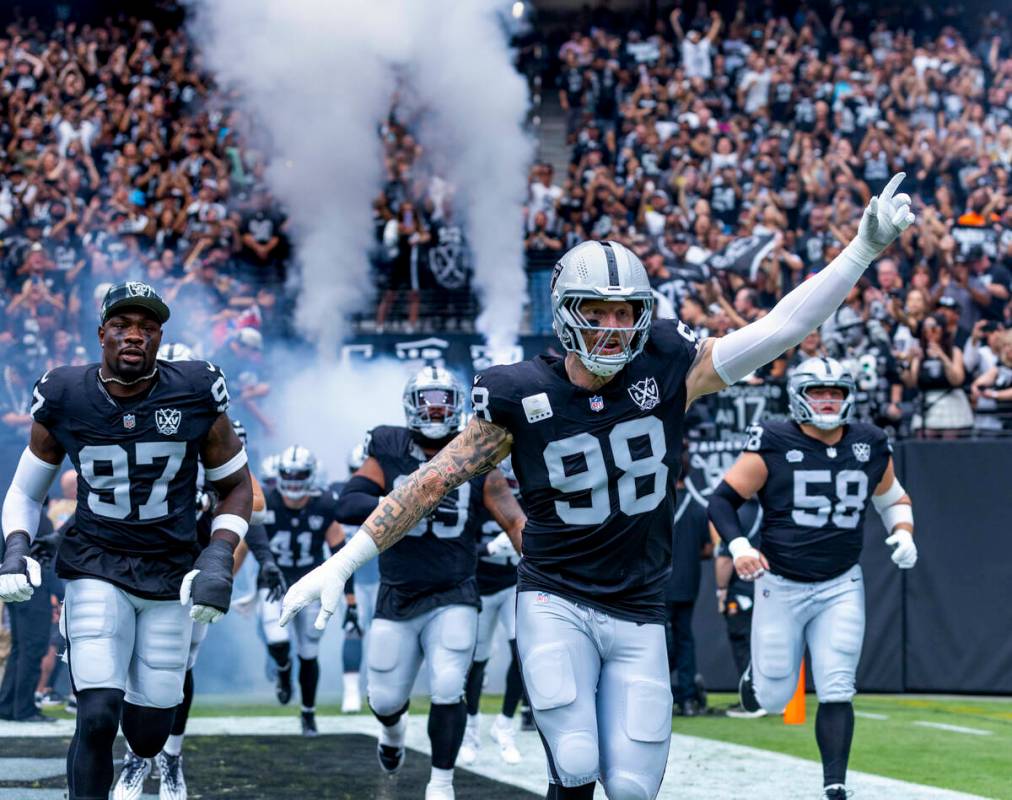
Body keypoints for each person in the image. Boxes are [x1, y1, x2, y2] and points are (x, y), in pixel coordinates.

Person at [281, 176, 915, 800]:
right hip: (557, 595)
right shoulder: (518, 392)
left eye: (625, 312)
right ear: (565, 315)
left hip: (640, 604)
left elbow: (777, 330)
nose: (613, 328)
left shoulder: (669, 365)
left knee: (634, 788)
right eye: (596, 312)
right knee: (577, 760)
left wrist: (861, 251)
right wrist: (346, 560)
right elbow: (432, 480)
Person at [0, 281, 254, 800]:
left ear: (160, 337)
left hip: (169, 570)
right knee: (95, 716)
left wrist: (219, 555)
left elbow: (235, 487)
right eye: (122, 325)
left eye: (146, 327)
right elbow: (26, 491)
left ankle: (143, 756)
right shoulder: (66, 393)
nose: (133, 335)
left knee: (147, 735)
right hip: (97, 561)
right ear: (101, 335)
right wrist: (17, 546)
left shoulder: (197, 389)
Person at [707, 357, 918, 800]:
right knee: (773, 698)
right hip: (779, 583)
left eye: (836, 392)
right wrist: (740, 546)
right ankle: (755, 681)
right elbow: (723, 501)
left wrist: (902, 531)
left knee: (838, 684)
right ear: (798, 396)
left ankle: (834, 784)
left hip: (840, 583)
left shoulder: (869, 441)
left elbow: (894, 497)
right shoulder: (775, 439)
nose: (828, 400)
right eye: (818, 391)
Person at [332, 367, 525, 800]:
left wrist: (544, 563)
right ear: (410, 404)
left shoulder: (477, 451)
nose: (436, 408)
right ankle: (394, 736)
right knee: (383, 699)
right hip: (398, 591)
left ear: (458, 405)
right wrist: (398, 505)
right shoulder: (389, 445)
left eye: (443, 399)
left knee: (447, 684)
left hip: (454, 590)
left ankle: (441, 783)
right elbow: (347, 502)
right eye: (427, 399)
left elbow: (513, 518)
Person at [113, 414, 279, 800]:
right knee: (129, 665)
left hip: (191, 575)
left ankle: (170, 757)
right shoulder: (156, 454)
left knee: (178, 668)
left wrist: (265, 558)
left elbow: (250, 508)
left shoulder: (221, 462)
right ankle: (137, 755)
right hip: (138, 569)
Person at [259, 444, 347, 736]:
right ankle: (284, 670)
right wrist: (224, 579)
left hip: (312, 585)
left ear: (311, 476)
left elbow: (341, 555)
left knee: (309, 652)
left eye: (300, 475)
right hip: (274, 584)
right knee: (277, 640)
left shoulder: (324, 504)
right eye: (288, 474)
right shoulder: (267, 502)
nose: (294, 481)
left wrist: (351, 600)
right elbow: (247, 544)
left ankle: (308, 713)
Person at [459, 456, 526, 766]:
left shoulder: (528, 502)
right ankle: (471, 729)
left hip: (513, 586)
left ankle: (505, 725)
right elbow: (457, 549)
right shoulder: (477, 503)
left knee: (523, 656)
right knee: (477, 662)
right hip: (482, 590)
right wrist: (488, 549)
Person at [666, 463, 713, 717]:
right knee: (685, 639)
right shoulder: (698, 507)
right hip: (688, 582)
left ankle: (658, 695)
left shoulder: (655, 504)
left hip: (657, 584)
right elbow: (708, 548)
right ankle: (687, 700)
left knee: (658, 641)